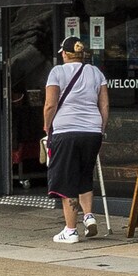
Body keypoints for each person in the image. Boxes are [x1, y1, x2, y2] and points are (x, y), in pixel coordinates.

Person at [44, 36, 109, 245]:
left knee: (66, 180)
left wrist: (47, 126)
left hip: (66, 131)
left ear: (64, 53)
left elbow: (50, 105)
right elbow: (105, 106)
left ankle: (71, 230)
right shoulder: (96, 72)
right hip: (92, 131)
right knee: (84, 175)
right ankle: (88, 215)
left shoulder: (57, 72)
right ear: (82, 54)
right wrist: (101, 129)